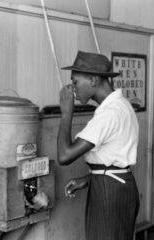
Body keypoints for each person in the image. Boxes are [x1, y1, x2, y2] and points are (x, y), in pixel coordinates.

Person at [57, 51, 140, 240]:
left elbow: (64, 155)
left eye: (75, 82)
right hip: (118, 185)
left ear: (93, 80)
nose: (73, 89)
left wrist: (66, 114)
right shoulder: (121, 105)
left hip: (110, 193)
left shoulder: (109, 113)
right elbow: (114, 158)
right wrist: (89, 178)